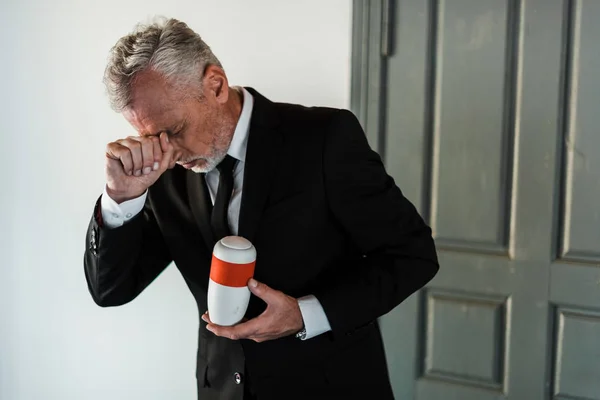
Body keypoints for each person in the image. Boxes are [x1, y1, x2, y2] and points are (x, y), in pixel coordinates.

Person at [83, 17, 439, 400]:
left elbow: (412, 255)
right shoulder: (159, 170)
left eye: (173, 131)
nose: (165, 151)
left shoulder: (324, 138)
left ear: (215, 85)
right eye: (148, 136)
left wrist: (306, 314)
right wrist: (121, 199)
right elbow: (111, 291)